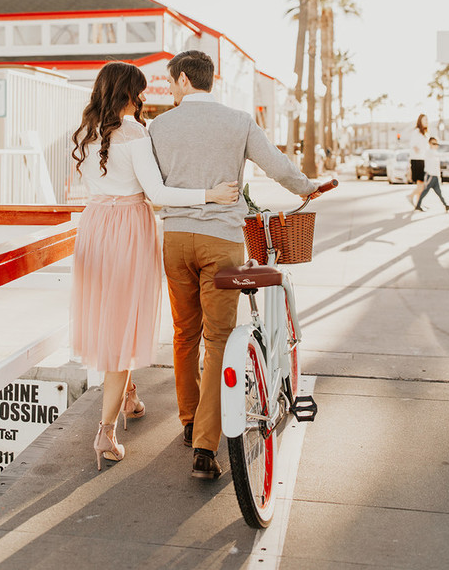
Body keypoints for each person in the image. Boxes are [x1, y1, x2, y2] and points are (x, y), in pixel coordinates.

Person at [149, 50, 320, 480]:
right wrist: (308, 187)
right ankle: (205, 447)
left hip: (174, 240)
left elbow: (150, 186)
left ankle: (188, 421)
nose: (170, 90)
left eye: (171, 83)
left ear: (184, 79)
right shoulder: (238, 120)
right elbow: (278, 165)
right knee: (219, 338)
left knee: (184, 332)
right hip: (221, 241)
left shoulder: (159, 126)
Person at [70, 61, 239, 470]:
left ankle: (128, 396)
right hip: (127, 228)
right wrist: (210, 195)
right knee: (123, 325)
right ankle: (106, 432)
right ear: (127, 92)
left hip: (93, 227)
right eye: (138, 91)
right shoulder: (133, 132)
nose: (141, 98)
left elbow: (86, 186)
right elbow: (159, 194)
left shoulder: (81, 133)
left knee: (107, 318)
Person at [415, 137, 449, 212]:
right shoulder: (429, 152)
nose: (435, 145)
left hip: (435, 176)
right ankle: (418, 205)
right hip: (430, 175)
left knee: (439, 192)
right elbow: (440, 155)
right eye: (433, 143)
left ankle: (446, 205)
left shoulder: (434, 152)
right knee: (425, 191)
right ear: (429, 143)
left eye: (436, 144)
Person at [407, 113, 429, 207]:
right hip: (417, 160)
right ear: (420, 121)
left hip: (423, 160)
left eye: (427, 120)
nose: (426, 122)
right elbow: (413, 145)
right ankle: (410, 196)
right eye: (424, 120)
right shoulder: (416, 132)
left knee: (420, 184)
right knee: (422, 185)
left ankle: (418, 204)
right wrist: (418, 150)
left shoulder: (426, 133)